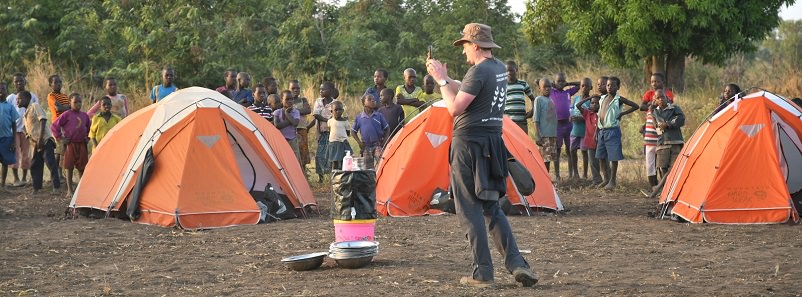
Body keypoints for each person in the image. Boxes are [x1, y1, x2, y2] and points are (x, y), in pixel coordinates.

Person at [425, 22, 538, 288]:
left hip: (468, 146)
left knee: (469, 209)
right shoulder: (497, 68)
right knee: (491, 206)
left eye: (465, 45)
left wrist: (441, 79)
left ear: (475, 45)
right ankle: (518, 263)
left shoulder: (478, 72)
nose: (463, 51)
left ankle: (483, 274)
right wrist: (447, 78)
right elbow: (468, 89)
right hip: (491, 143)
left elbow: (454, 108)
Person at [596, 77, 639, 190]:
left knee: (613, 157)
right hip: (602, 130)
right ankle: (606, 178)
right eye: (608, 85)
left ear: (618, 87)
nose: (610, 87)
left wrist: (622, 113)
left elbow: (635, 106)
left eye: (613, 85)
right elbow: (599, 113)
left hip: (612, 131)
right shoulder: (602, 98)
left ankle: (612, 181)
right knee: (600, 155)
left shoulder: (618, 99)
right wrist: (597, 130)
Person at [21, 91, 60, 195]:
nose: (17, 101)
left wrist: (41, 138)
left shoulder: (34, 106)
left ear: (26, 98)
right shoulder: (25, 114)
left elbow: (42, 120)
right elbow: (26, 128)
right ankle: (36, 188)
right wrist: (29, 137)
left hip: (45, 140)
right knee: (35, 165)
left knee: (50, 163)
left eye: (19, 99)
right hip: (35, 144)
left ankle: (56, 187)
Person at [639, 73, 674, 190]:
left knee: (661, 162)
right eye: (652, 81)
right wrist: (651, 106)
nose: (654, 84)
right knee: (650, 162)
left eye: (657, 81)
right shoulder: (650, 105)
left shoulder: (665, 102)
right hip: (649, 137)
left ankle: (663, 187)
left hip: (660, 137)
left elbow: (670, 106)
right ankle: (653, 186)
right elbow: (641, 106)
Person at [51, 93, 90, 197]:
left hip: (81, 144)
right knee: (69, 167)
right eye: (75, 102)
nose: (78, 104)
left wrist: (87, 137)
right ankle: (70, 190)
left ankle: (81, 189)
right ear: (70, 103)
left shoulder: (84, 115)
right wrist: (61, 138)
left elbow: (88, 127)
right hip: (70, 145)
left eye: (79, 102)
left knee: (82, 167)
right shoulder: (66, 114)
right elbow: (54, 126)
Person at [649, 89, 685, 198]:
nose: (661, 100)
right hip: (662, 142)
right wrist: (651, 112)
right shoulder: (655, 112)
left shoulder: (674, 108)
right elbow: (657, 128)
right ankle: (665, 190)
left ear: (667, 97)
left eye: (662, 97)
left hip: (675, 142)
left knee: (674, 167)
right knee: (662, 167)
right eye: (658, 98)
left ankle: (670, 190)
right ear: (655, 99)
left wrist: (668, 124)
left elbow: (681, 119)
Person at [8, 73, 38, 187]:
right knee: (14, 153)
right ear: (13, 83)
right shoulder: (10, 98)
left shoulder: (32, 96)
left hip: (28, 130)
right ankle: (16, 179)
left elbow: (36, 111)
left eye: (21, 81)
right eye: (16, 81)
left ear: (25, 82)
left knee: (26, 153)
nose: (19, 83)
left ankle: (25, 178)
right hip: (14, 130)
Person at [550, 73, 579, 182]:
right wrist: (552, 84)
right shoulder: (552, 92)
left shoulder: (568, 92)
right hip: (557, 125)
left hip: (568, 124)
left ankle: (571, 174)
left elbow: (580, 85)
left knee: (570, 149)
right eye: (559, 81)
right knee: (557, 149)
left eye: (563, 81)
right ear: (554, 82)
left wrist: (568, 83)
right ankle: (557, 175)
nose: (561, 83)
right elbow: (538, 81)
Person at [351, 95, 388, 170]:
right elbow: (353, 131)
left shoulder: (379, 115)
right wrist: (359, 143)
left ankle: (379, 181)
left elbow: (387, 128)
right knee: (368, 168)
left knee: (381, 166)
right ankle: (370, 181)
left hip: (378, 144)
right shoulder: (359, 117)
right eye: (369, 99)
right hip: (366, 146)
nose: (373, 101)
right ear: (363, 103)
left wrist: (384, 141)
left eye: (374, 99)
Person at [533, 78, 559, 182]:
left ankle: (546, 178)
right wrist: (538, 135)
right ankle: (544, 180)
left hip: (552, 135)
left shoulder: (551, 100)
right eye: (545, 87)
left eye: (549, 86)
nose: (548, 89)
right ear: (540, 88)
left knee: (550, 158)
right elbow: (536, 119)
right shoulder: (538, 100)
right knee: (545, 159)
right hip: (544, 135)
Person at [576, 94, 603, 186]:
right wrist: (588, 98)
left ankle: (607, 179)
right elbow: (578, 105)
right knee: (592, 162)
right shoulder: (587, 113)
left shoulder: (602, 113)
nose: (594, 104)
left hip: (600, 142)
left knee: (603, 161)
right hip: (590, 142)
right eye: (592, 103)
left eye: (597, 103)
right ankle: (596, 180)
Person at [568, 77, 593, 180]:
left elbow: (591, 116)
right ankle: (576, 173)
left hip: (584, 131)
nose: (584, 88)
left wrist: (582, 118)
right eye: (582, 85)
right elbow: (571, 109)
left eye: (587, 86)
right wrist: (571, 117)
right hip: (575, 129)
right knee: (572, 150)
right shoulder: (576, 99)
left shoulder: (591, 101)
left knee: (584, 152)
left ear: (591, 87)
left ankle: (585, 174)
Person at [312, 81, 336, 183]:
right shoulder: (318, 101)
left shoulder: (335, 103)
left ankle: (331, 177)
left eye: (323, 89)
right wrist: (328, 120)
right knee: (319, 155)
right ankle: (321, 178)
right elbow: (316, 114)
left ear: (330, 91)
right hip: (321, 132)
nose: (321, 91)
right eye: (320, 89)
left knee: (331, 155)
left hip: (332, 133)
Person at [504, 61, 536, 132]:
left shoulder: (523, 84)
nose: (509, 73)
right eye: (506, 71)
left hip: (522, 122)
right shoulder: (502, 85)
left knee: (523, 142)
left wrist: (532, 111)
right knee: (508, 143)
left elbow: (533, 99)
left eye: (511, 70)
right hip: (508, 123)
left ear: (516, 70)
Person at [288, 80, 312, 173]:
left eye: (297, 88)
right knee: (293, 151)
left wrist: (293, 110)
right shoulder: (288, 100)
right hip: (291, 129)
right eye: (293, 88)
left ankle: (303, 173)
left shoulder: (303, 100)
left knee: (303, 151)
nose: (295, 90)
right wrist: (300, 110)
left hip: (302, 129)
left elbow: (307, 110)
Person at [273, 90, 301, 163]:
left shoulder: (296, 112)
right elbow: (277, 125)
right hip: (281, 139)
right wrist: (290, 120)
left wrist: (287, 114)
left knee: (294, 159)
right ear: (281, 100)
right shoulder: (277, 112)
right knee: (282, 159)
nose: (290, 101)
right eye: (287, 99)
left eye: (291, 99)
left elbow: (295, 124)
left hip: (292, 139)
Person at [0, 82, 19, 190]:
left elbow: (14, 124)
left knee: (5, 162)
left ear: (6, 91)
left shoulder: (10, 106)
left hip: (7, 138)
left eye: (3, 89)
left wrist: (13, 140)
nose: (1, 91)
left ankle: (3, 185)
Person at [326, 101, 352, 171]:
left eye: (340, 110)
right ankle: (334, 175)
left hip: (343, 143)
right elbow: (330, 130)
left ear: (343, 110)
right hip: (333, 143)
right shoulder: (330, 121)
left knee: (344, 160)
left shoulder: (345, 122)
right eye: (336, 110)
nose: (338, 112)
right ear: (332, 111)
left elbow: (348, 133)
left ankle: (343, 175)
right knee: (334, 161)